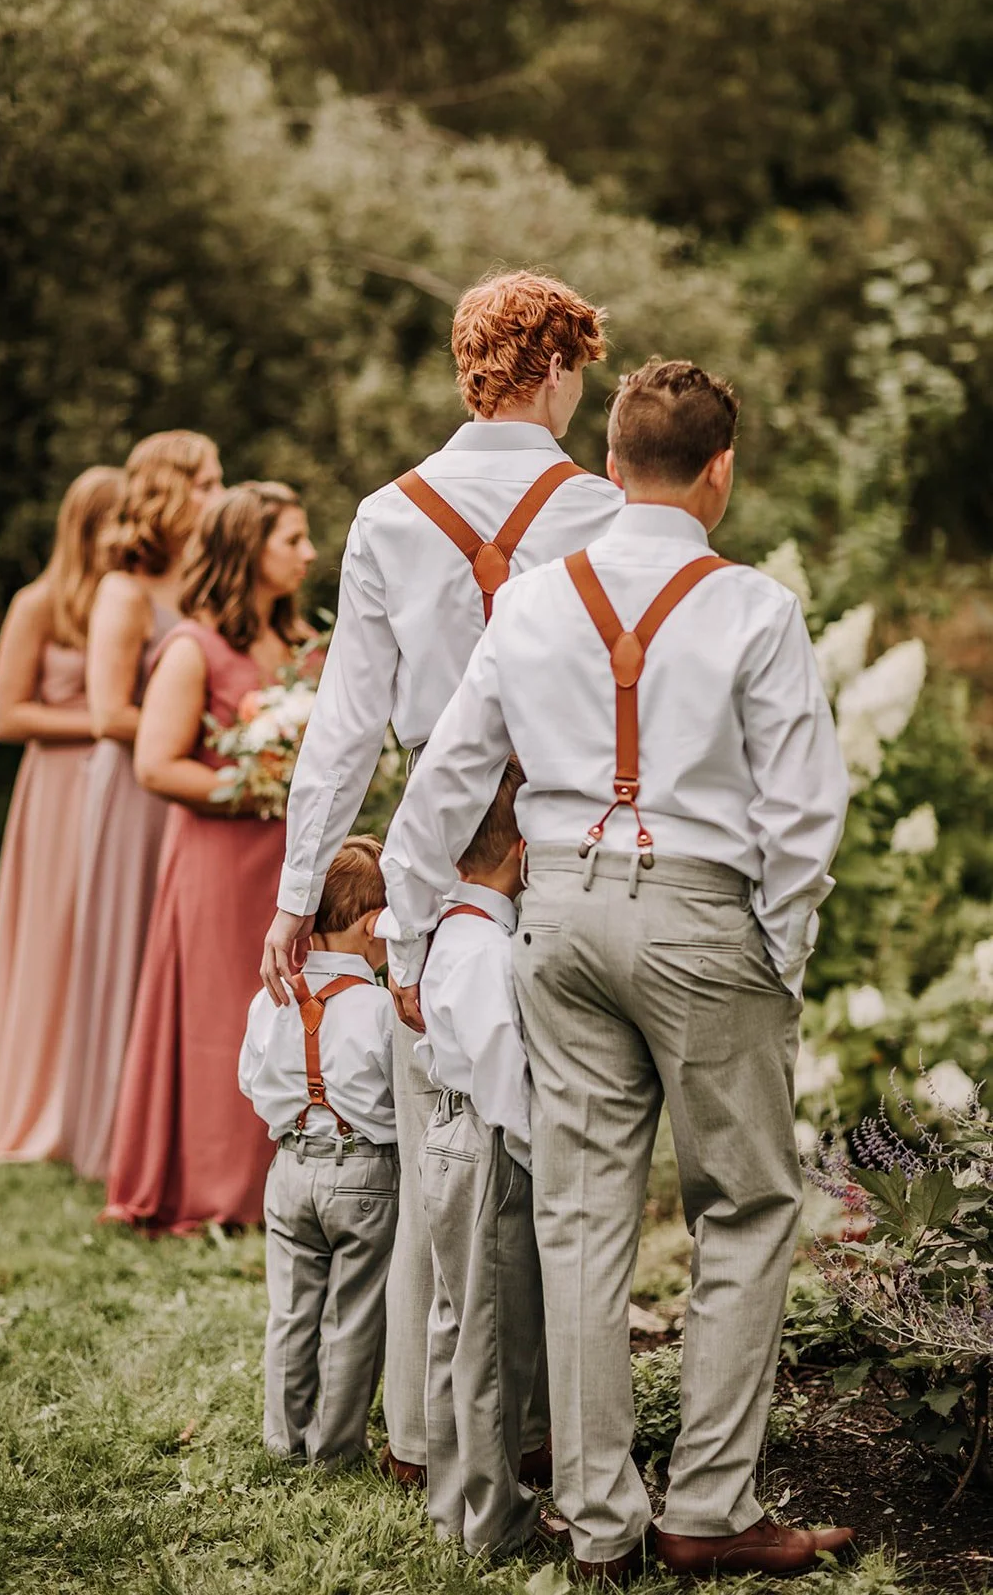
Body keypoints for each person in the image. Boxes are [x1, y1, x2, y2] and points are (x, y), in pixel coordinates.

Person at [379, 359, 856, 1582]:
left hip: (560, 915)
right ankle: (706, 1502)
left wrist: (404, 933)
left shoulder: (532, 606)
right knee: (743, 1203)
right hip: (703, 921)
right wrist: (780, 955)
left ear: (606, 468)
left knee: (579, 1215)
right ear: (719, 471)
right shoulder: (755, 607)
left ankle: (598, 1525)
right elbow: (803, 815)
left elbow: (444, 780)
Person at [260, 270, 621, 1482]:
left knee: (438, 1142)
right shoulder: (600, 511)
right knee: (560, 1145)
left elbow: (344, 725)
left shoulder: (385, 511)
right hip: (557, 850)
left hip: (429, 856)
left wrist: (297, 891)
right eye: (582, 371)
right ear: (558, 367)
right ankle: (542, 1421)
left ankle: (424, 1430)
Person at [103, 482, 317, 1233]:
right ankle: (217, 1188)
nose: (308, 553)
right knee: (222, 1016)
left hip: (289, 860)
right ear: (246, 550)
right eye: (292, 539)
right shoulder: (192, 648)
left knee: (294, 1009)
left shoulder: (300, 646)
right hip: (219, 862)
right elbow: (156, 765)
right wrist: (258, 785)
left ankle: (290, 1176)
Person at [57, 430, 223, 1181]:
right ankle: (112, 1134)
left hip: (187, 785)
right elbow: (105, 715)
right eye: (206, 483)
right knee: (128, 943)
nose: (217, 497)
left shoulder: (201, 583)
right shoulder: (124, 592)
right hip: (132, 791)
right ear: (165, 492)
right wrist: (198, 730)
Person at [0, 466, 124, 1164]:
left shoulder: (131, 602)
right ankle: (31, 1105)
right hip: (57, 789)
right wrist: (106, 721)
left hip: (116, 793)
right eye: (120, 520)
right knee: (52, 939)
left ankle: (95, 1103)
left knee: (102, 940)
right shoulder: (39, 604)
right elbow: (5, 714)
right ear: (89, 525)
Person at [416, 759, 546, 1560]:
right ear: (522, 848)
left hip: (443, 1139)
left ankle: (448, 1501)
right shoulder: (489, 951)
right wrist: (536, 1154)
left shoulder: (447, 930)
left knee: (452, 1324)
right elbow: (502, 1062)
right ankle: (493, 1521)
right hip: (488, 1146)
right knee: (490, 1338)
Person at [239, 835, 397, 1464]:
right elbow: (402, 1096)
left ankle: (284, 1440)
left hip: (289, 1166)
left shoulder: (271, 1000)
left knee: (292, 1311)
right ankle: (334, 1449)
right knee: (354, 1316)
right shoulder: (382, 1007)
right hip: (363, 1173)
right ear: (369, 925)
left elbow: (253, 1083)